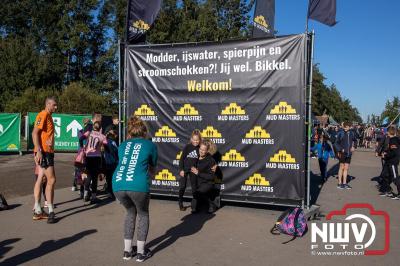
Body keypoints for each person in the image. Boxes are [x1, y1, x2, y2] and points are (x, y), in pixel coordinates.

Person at [112, 116, 157, 262]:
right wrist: (150, 177)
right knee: (143, 214)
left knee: (130, 213)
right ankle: (141, 253)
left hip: (118, 184)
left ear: (130, 132)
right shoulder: (149, 144)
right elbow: (152, 166)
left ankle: (127, 251)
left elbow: (124, 163)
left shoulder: (123, 145)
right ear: (144, 132)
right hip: (138, 185)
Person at [32, 96, 57, 223]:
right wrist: (39, 150)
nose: (55, 107)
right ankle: (51, 211)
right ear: (48, 104)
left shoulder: (48, 115)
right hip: (45, 152)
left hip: (46, 151)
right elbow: (34, 133)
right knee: (51, 179)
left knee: (41, 179)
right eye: (54, 105)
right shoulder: (43, 114)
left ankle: (37, 209)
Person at [83, 121, 107, 203]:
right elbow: (106, 144)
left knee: (88, 175)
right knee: (94, 177)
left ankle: (86, 193)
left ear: (93, 126)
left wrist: (82, 147)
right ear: (100, 128)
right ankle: (93, 196)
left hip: (88, 155)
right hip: (96, 157)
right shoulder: (102, 136)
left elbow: (81, 138)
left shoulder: (89, 133)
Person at [190, 139, 218, 213]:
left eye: (203, 150)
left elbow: (211, 177)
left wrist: (198, 173)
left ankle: (212, 205)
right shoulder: (195, 156)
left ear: (207, 151)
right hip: (198, 182)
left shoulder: (210, 160)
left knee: (198, 193)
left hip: (208, 183)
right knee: (193, 207)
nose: (201, 151)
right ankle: (198, 205)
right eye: (200, 149)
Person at [178, 130, 202, 211]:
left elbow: (201, 160)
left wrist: (198, 169)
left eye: (197, 140)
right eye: (194, 140)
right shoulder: (187, 147)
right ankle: (180, 203)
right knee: (182, 186)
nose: (196, 142)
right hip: (185, 169)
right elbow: (181, 159)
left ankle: (194, 206)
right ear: (191, 139)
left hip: (193, 170)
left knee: (194, 187)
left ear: (200, 140)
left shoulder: (200, 148)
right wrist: (181, 169)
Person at [334, 121, 357, 189]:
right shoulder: (340, 133)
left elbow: (355, 141)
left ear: (349, 127)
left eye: (346, 127)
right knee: (341, 167)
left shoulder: (352, 133)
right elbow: (336, 143)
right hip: (342, 153)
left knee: (346, 168)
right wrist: (340, 149)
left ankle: (344, 183)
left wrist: (354, 146)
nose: (345, 128)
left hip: (349, 153)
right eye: (344, 127)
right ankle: (339, 183)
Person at [379, 126, 400, 198]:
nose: (386, 133)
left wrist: (386, 155)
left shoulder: (394, 140)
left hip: (393, 162)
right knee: (385, 175)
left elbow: (394, 152)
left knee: (395, 178)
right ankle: (387, 190)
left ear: (389, 132)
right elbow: (390, 150)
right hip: (389, 161)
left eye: (387, 132)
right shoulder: (391, 139)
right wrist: (385, 152)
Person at [104, 130, 119, 200]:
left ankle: (109, 192)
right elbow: (117, 151)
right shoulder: (113, 142)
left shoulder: (105, 142)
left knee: (108, 178)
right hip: (113, 162)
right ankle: (113, 193)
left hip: (106, 162)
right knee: (113, 178)